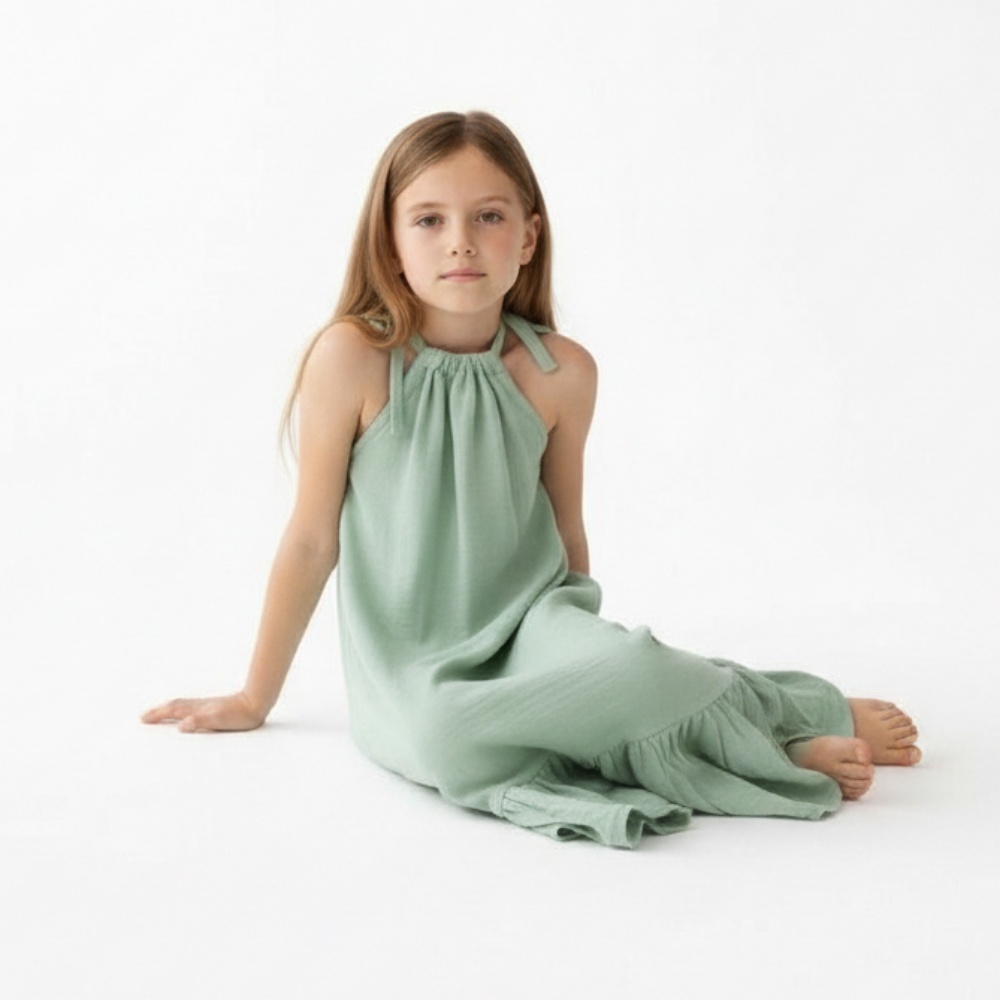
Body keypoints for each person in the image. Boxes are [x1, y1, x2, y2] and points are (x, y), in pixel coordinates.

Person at [141, 110, 920, 848]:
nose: (460, 242)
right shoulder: (353, 359)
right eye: (429, 220)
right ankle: (723, 734)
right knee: (445, 741)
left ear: (527, 236)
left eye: (488, 216)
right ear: (390, 241)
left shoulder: (560, 372)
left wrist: (588, 661)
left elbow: (566, 526)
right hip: (415, 668)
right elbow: (312, 540)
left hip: (534, 625)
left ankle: (788, 722)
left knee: (631, 665)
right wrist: (255, 696)